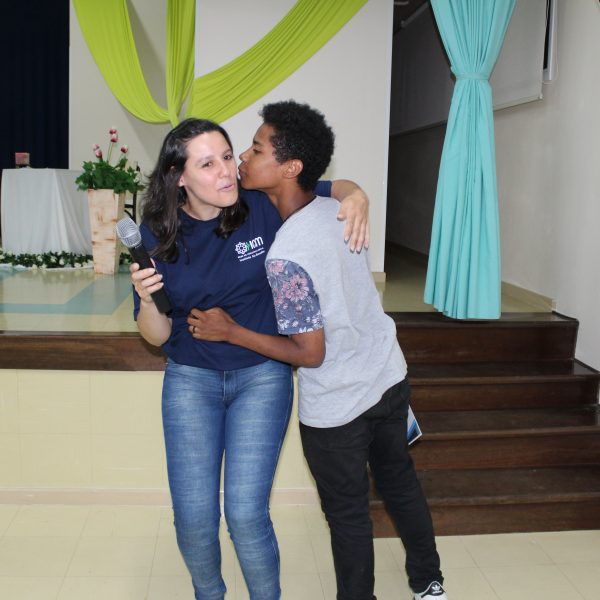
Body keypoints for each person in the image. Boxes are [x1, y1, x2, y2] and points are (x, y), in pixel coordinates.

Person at [187, 101, 448, 600]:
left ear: (290, 167)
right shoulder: (339, 210)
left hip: (338, 406)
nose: (243, 157)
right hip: (387, 377)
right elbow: (336, 189)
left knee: (348, 515)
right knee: (400, 483)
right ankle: (429, 583)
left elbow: (310, 353)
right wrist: (356, 191)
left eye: (256, 149)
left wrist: (232, 332)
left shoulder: (287, 254)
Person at [130, 117, 369, 600]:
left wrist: (357, 194)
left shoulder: (259, 204)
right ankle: (209, 594)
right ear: (179, 176)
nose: (225, 171)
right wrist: (149, 300)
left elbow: (325, 187)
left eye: (226, 156)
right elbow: (157, 336)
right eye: (207, 164)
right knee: (194, 517)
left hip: (262, 377)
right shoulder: (155, 232)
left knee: (245, 513)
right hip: (191, 379)